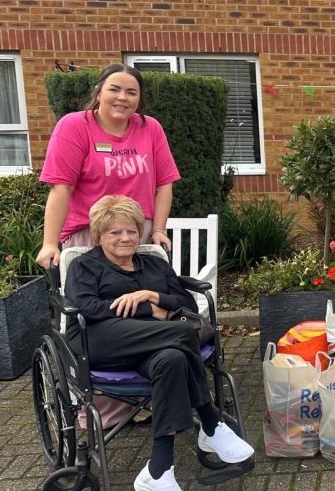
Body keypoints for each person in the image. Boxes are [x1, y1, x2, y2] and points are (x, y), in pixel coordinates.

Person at [65, 196, 254, 491]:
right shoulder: (84, 267)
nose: (125, 238)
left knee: (173, 359)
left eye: (131, 230)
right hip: (99, 341)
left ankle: (158, 469)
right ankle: (209, 420)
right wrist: (150, 311)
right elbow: (88, 309)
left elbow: (185, 302)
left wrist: (150, 297)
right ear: (99, 234)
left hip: (153, 343)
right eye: (115, 232)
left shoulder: (154, 264)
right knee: (182, 333)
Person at [37, 63, 179, 269]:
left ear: (139, 99)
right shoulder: (74, 126)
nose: (122, 97)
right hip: (89, 234)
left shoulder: (151, 128)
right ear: (98, 92)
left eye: (131, 92)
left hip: (137, 235)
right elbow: (61, 187)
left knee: (141, 297)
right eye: (114, 89)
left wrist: (159, 230)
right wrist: (49, 243)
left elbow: (165, 184)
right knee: (92, 299)